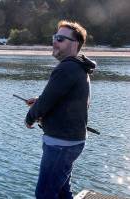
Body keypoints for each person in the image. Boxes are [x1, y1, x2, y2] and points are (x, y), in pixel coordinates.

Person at [25, 20, 96, 199]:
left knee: (45, 194)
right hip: (71, 142)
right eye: (54, 37)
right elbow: (63, 98)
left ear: (75, 44)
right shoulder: (78, 67)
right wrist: (40, 100)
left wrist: (30, 117)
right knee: (63, 191)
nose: (54, 42)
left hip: (60, 145)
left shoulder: (67, 68)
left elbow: (46, 103)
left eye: (60, 39)